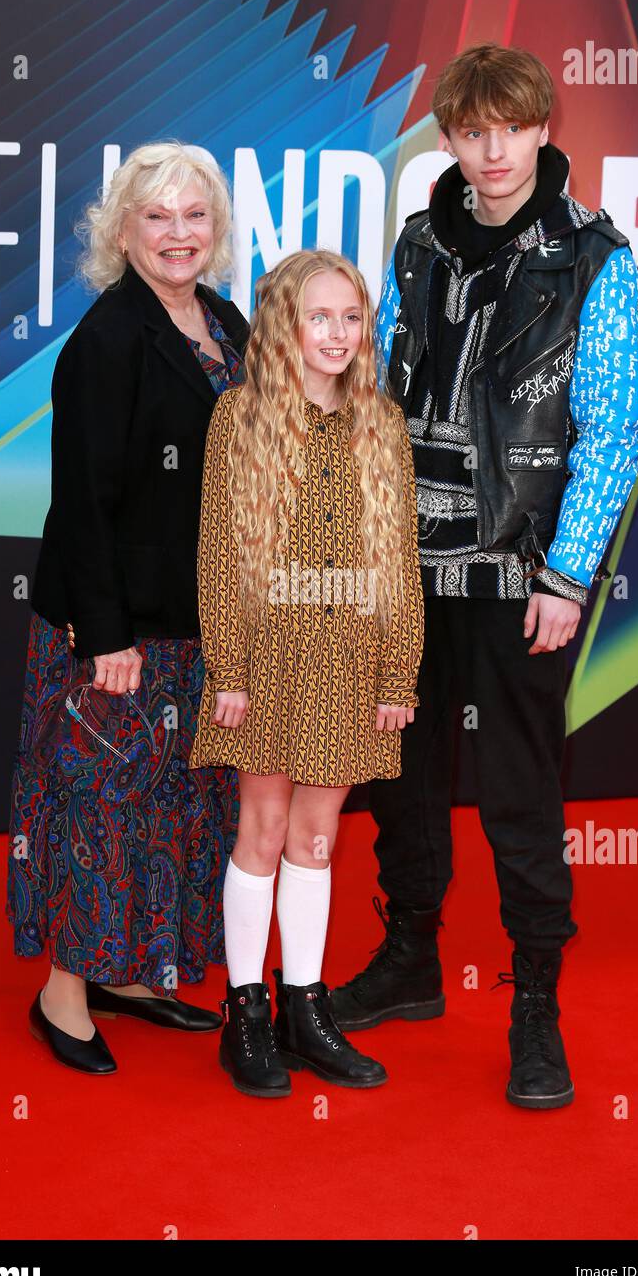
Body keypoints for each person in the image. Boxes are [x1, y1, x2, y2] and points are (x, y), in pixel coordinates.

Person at [329, 43, 638, 1110]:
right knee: (401, 776)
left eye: (509, 128)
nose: (491, 149)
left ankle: (534, 1008)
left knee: (518, 793)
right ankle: (410, 955)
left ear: (541, 128)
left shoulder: (593, 260)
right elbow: (374, 385)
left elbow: (610, 430)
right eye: (470, 131)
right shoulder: (419, 241)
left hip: (519, 572)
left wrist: (565, 578)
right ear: (451, 138)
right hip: (407, 569)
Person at [7, 140, 249, 1074]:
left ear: (217, 228)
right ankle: (63, 992)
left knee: (170, 804)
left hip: (196, 626)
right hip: (118, 632)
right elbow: (81, 502)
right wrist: (106, 637)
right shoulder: (107, 340)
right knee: (96, 803)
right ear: (122, 231)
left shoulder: (224, 321)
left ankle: (130, 972)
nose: (178, 234)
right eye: (158, 217)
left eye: (195, 216)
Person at [188, 249, 425, 1098]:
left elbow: (398, 559)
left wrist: (398, 673)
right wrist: (231, 669)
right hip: (264, 657)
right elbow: (219, 557)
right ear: (284, 325)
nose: (336, 334)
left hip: (348, 661)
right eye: (317, 317)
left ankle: (304, 1005)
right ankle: (245, 1011)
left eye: (351, 317)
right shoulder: (238, 420)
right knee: (262, 828)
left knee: (317, 839)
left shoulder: (382, 425)